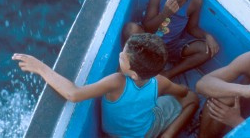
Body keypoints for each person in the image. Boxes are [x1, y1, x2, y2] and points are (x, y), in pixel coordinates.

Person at [13, 33, 199, 138]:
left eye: (122, 57)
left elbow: (74, 94)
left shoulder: (116, 82)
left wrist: (41, 68)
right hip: (144, 132)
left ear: (133, 73)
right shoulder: (160, 82)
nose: (119, 54)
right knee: (192, 98)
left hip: (112, 134)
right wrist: (176, 91)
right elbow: (182, 92)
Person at [122, 0, 220, 79]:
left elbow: (192, 28)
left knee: (206, 49)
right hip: (148, 41)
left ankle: (168, 74)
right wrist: (165, 14)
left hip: (170, 47)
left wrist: (207, 36)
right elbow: (148, 28)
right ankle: (131, 63)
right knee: (131, 28)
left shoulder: (195, 2)